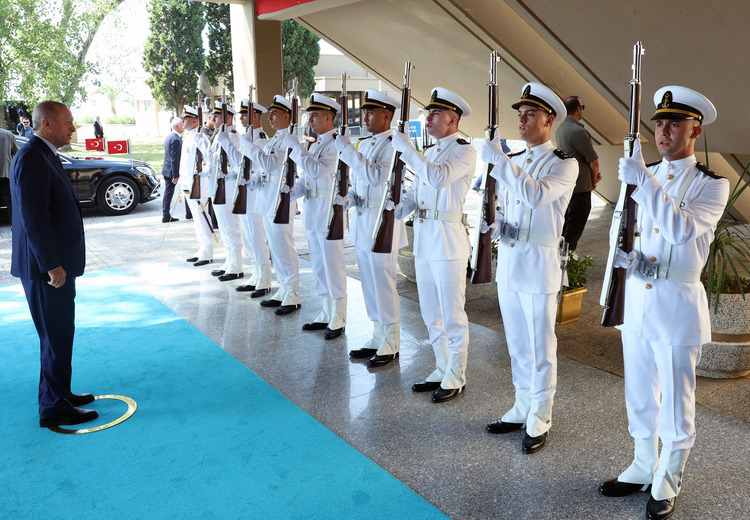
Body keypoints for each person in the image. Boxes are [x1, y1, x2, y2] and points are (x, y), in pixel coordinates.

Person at [599, 86, 729, 520]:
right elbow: (627, 232)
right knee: (639, 392)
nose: (663, 130)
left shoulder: (712, 185)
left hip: (676, 307)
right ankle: (642, 464)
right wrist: (623, 267)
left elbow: (679, 230)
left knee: (675, 398)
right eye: (659, 123)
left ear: (695, 131)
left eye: (675, 123)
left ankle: (668, 477)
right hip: (637, 301)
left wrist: (642, 180)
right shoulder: (645, 173)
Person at [482, 82, 577, 454]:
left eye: (531, 114)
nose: (522, 120)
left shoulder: (564, 163)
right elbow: (509, 206)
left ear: (549, 120)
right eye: (520, 114)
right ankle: (521, 403)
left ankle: (541, 412)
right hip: (510, 262)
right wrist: (496, 222)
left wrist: (500, 161)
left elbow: (536, 195)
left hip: (539, 266)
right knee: (518, 343)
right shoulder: (517, 161)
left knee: (540, 345)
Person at [10, 100, 97, 427]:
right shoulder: (32, 157)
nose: (72, 127)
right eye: (67, 122)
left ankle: (61, 392)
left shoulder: (44, 153)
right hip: (46, 270)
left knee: (61, 333)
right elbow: (33, 218)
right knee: (54, 336)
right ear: (47, 124)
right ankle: (52, 407)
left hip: (54, 266)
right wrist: (51, 264)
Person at [393, 87, 476, 403]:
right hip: (425, 242)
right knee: (430, 311)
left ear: (453, 119)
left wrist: (408, 150)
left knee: (451, 312)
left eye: (436, 114)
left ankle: (457, 374)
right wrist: (397, 208)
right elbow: (416, 195)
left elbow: (439, 178)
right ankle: (442, 366)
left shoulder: (464, 152)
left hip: (448, 243)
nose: (428, 118)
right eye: (428, 113)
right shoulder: (429, 152)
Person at [335, 89, 406, 366]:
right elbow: (360, 183)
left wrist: (347, 152)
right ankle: (378, 335)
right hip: (364, 224)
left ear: (386, 115)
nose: (365, 117)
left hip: (383, 224)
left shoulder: (394, 145)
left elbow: (377, 177)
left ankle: (392, 341)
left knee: (384, 283)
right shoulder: (364, 145)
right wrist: (349, 198)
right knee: (369, 283)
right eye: (365, 112)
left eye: (371, 112)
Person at [284, 93, 348, 339]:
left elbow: (317, 171)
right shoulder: (318, 143)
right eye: (310, 115)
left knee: (333, 266)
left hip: (329, 214)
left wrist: (296, 149)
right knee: (320, 266)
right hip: (313, 212)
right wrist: (293, 192)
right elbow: (307, 178)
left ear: (329, 118)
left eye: (314, 115)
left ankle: (338, 316)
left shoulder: (335, 144)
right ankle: (326, 311)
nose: (310, 120)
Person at [240, 95, 301, 313]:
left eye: (274, 113)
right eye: (271, 113)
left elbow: (269, 163)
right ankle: (284, 289)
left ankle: (293, 293)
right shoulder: (276, 139)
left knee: (284, 248)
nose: (270, 117)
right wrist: (256, 179)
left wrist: (248, 146)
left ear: (286, 116)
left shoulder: (288, 140)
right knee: (275, 248)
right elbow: (267, 170)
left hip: (279, 201)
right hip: (267, 200)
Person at [217, 99, 273, 295]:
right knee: (249, 237)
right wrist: (233, 174)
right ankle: (256, 275)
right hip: (244, 194)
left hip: (255, 196)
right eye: (240, 115)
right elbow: (241, 167)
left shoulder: (261, 140)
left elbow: (246, 164)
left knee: (257, 238)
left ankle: (264, 279)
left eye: (244, 115)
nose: (240, 118)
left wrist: (226, 143)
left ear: (255, 116)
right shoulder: (247, 138)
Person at [556, 96, 601, 251]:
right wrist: (594, 179)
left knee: (565, 223)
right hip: (581, 186)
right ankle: (567, 257)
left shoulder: (560, 128)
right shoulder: (578, 131)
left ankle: (559, 254)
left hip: (567, 183)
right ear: (578, 109)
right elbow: (593, 161)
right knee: (575, 226)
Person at [208, 101, 245, 282]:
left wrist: (230, 174)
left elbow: (238, 162)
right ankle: (229, 261)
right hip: (217, 186)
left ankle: (236, 265)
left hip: (228, 187)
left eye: (217, 116)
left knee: (231, 227)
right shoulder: (218, 136)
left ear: (228, 118)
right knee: (223, 227)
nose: (213, 119)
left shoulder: (233, 136)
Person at [178, 106, 213, 267]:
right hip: (188, 184)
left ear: (195, 121)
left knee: (202, 216)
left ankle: (208, 251)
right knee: (196, 218)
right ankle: (202, 248)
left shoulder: (200, 137)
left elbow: (208, 159)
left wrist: (201, 176)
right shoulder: (188, 137)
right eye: (183, 119)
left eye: (186, 119)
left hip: (198, 184)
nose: (183, 121)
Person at [161, 117, 184, 223]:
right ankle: (166, 215)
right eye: (182, 124)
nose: (183, 126)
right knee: (169, 193)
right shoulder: (175, 139)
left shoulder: (170, 136)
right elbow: (174, 159)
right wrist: (175, 175)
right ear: (177, 126)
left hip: (167, 169)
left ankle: (166, 214)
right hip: (171, 171)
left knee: (168, 192)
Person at [0, 119, 19, 223]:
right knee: (10, 201)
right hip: (6, 173)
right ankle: (14, 225)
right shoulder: (8, 134)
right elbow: (18, 153)